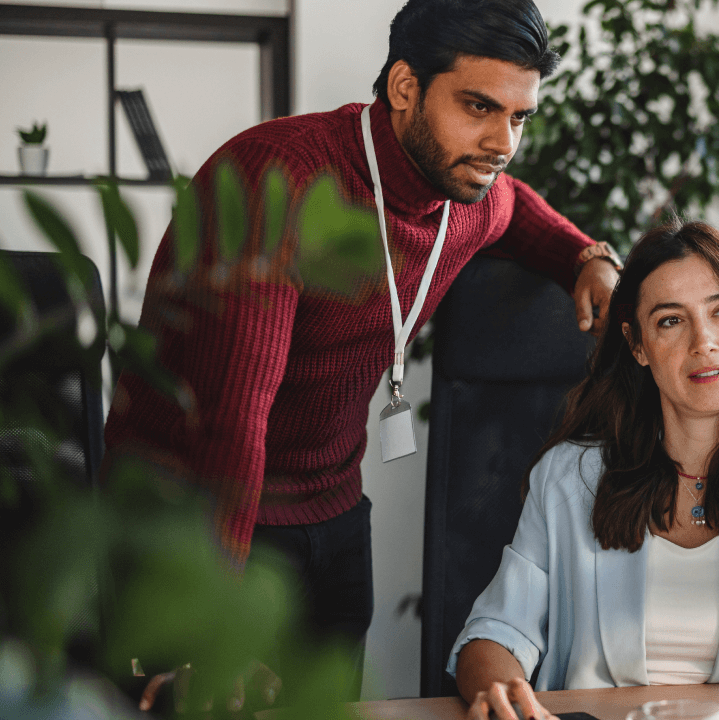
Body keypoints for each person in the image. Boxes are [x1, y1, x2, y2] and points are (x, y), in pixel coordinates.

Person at [101, 0, 621, 709]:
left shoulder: (466, 189)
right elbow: (232, 420)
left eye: (519, 116)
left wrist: (588, 257)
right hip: (196, 519)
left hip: (334, 514)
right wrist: (209, 626)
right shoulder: (278, 179)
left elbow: (517, 207)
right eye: (478, 106)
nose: (503, 142)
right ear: (405, 87)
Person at [448, 220, 719, 718]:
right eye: (672, 320)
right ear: (637, 344)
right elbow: (495, 634)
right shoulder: (569, 476)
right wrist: (504, 696)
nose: (704, 342)